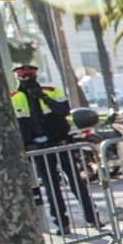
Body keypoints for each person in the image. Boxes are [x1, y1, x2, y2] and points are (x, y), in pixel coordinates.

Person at [10, 64, 98, 232]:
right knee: (52, 187)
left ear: (35, 75)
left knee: (76, 183)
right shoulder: (13, 98)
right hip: (39, 149)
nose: (27, 79)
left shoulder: (52, 91)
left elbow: (63, 111)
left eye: (30, 76)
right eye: (23, 77)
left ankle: (93, 218)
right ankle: (62, 224)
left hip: (61, 144)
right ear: (18, 78)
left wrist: (43, 97)